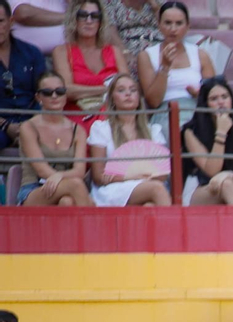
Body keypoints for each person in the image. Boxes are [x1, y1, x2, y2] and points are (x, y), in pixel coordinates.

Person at [86, 70, 171, 204]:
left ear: (139, 97)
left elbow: (162, 173)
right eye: (121, 90)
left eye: (133, 90)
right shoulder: (102, 129)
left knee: (149, 205)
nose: (128, 94)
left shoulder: (153, 131)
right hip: (113, 189)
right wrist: (131, 176)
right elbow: (98, 176)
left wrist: (141, 177)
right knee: (157, 189)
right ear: (112, 98)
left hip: (145, 185)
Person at [180, 76, 233, 204]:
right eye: (214, 99)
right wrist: (221, 133)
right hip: (200, 189)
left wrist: (228, 175)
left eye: (225, 97)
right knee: (226, 184)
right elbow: (212, 171)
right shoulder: (191, 131)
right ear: (205, 104)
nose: (221, 102)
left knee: (229, 185)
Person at [17, 72, 94, 205]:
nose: (54, 96)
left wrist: (60, 176)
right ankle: (93, 219)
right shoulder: (28, 127)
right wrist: (61, 177)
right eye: (47, 92)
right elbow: (41, 169)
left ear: (65, 95)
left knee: (67, 202)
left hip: (67, 189)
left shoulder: (78, 130)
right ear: (38, 97)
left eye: (60, 91)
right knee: (75, 185)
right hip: (34, 189)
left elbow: (80, 171)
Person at [52, 0, 126, 129]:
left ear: (101, 21)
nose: (89, 21)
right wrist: (107, 89)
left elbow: (127, 87)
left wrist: (83, 91)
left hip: (112, 117)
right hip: (77, 118)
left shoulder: (114, 51)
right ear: (74, 19)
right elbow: (66, 90)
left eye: (95, 16)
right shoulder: (62, 52)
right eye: (83, 15)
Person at [136, 0, 212, 123]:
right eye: (168, 23)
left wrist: (198, 95)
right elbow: (154, 102)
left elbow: (213, 94)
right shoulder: (146, 56)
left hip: (196, 112)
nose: (173, 29)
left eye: (179, 23)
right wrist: (165, 67)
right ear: (159, 25)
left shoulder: (200, 54)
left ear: (187, 26)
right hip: (165, 113)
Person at [0, 0, 49, 152]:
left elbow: (44, 93)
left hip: (33, 120)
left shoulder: (31, 53)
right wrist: (6, 125)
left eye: (0, 21)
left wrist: (29, 126)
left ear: (11, 22)